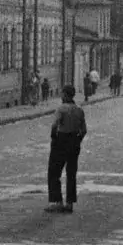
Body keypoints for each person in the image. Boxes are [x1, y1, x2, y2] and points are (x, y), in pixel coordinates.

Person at [46, 85, 87, 213]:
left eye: (62, 94)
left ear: (65, 95)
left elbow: (54, 125)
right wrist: (77, 140)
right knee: (71, 173)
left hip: (61, 141)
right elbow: (84, 130)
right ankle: (69, 203)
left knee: (54, 172)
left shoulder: (61, 109)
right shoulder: (79, 110)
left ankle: (57, 201)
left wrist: (54, 137)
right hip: (74, 141)